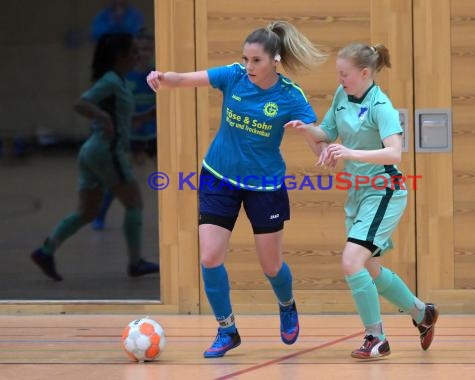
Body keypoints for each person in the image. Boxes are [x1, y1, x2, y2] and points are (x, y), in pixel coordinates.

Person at [146, 20, 327, 358]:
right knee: (210, 256)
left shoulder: (290, 95)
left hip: (265, 185)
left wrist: (319, 145)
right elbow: (186, 79)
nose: (249, 66)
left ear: (275, 60)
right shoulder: (234, 76)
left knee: (271, 264)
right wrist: (162, 78)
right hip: (218, 175)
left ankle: (286, 304)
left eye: (256, 60)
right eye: (246, 59)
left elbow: (317, 137)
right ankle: (226, 330)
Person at [285, 42, 438, 360]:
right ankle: (422, 313)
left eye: (345, 74)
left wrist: (350, 152)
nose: (340, 79)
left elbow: (395, 152)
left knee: (351, 261)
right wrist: (306, 132)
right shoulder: (342, 96)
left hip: (384, 190)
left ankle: (376, 337)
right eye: (339, 74)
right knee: (370, 269)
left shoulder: (381, 105)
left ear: (364, 73)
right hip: (357, 192)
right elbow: (326, 133)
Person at [30, 33, 159, 281]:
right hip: (105, 151)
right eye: (133, 51)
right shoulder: (110, 80)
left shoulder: (119, 82)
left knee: (87, 213)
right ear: (120, 56)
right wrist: (102, 117)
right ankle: (135, 263)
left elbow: (121, 120)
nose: (137, 55)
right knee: (134, 204)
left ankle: (46, 251)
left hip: (92, 152)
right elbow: (81, 103)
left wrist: (146, 116)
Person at [91, 31, 157, 231]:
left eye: (148, 49)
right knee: (118, 178)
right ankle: (100, 215)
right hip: (129, 136)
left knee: (165, 177)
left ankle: (177, 215)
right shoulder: (122, 77)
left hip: (153, 135)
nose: (143, 53)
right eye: (139, 49)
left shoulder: (156, 75)